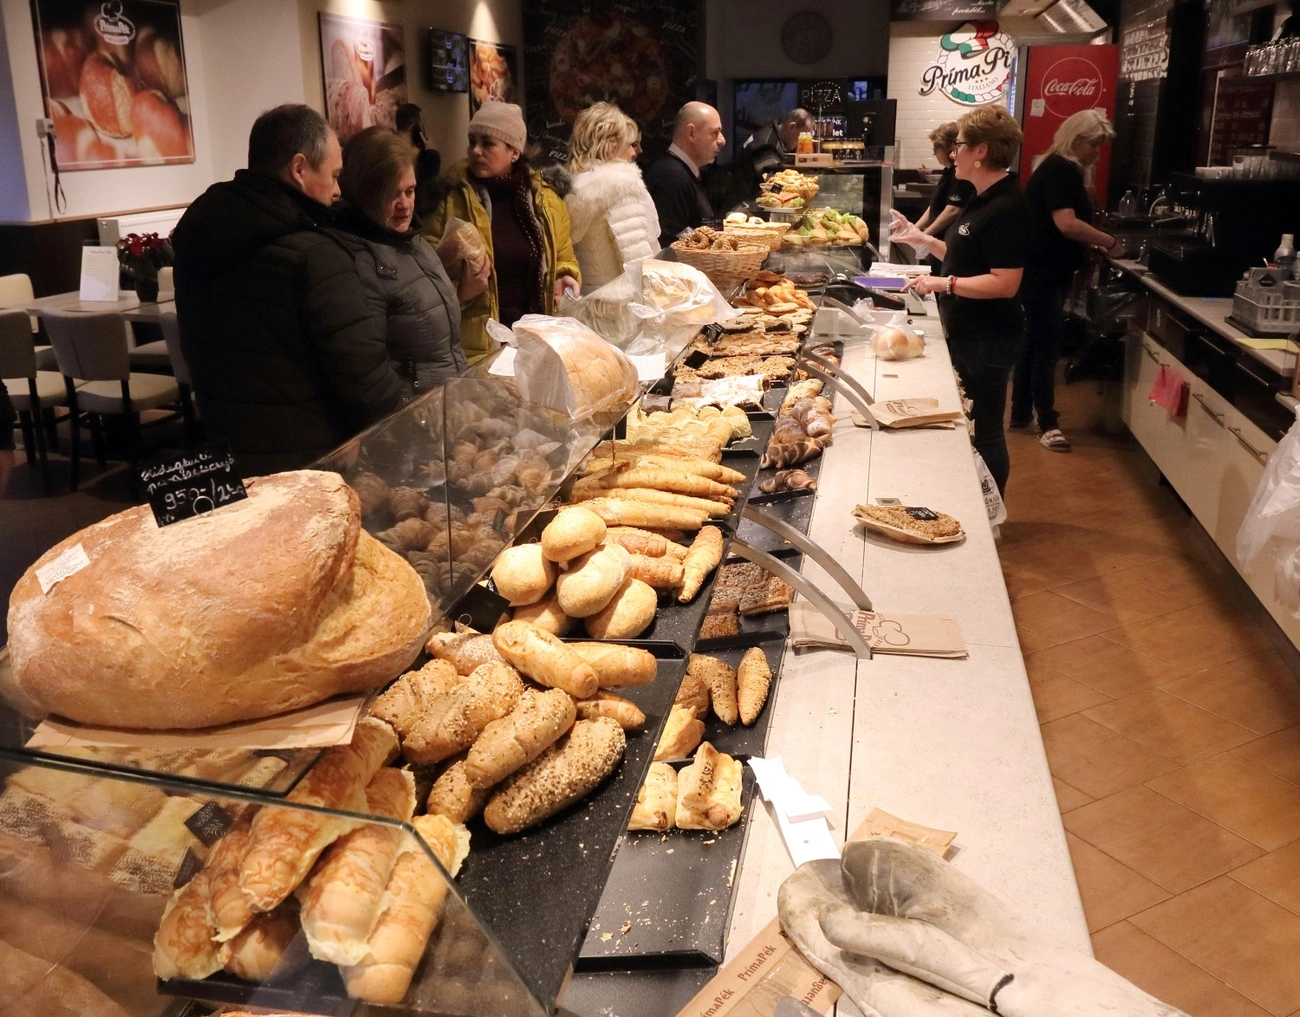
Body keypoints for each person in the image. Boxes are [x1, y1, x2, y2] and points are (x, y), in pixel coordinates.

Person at [173, 103, 404, 474]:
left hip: (230, 452)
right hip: (312, 459)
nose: (338, 191)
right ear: (299, 169)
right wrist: (404, 429)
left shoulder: (198, 236)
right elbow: (363, 379)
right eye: (334, 175)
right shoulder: (317, 254)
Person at [892, 105, 1030, 498]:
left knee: (985, 430)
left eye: (961, 145)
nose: (954, 154)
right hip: (969, 331)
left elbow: (1005, 283)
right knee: (972, 423)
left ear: (981, 151)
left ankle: (991, 515)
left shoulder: (1007, 206)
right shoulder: (981, 197)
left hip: (989, 337)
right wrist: (921, 239)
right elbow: (964, 257)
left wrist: (944, 283)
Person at [423, 102, 581, 364]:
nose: (476, 150)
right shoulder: (449, 199)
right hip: (478, 348)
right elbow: (427, 273)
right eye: (472, 141)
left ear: (514, 152)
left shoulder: (547, 200)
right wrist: (461, 291)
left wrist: (564, 275)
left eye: (487, 143)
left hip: (537, 342)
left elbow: (564, 254)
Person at [1012, 110, 1120, 452]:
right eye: (1093, 145)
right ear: (1074, 139)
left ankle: (1020, 413)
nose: (1096, 153)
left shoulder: (1051, 166)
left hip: (1036, 268)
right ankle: (1048, 422)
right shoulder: (1061, 170)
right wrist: (1109, 242)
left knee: (1033, 342)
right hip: (1044, 270)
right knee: (1047, 348)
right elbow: (1067, 224)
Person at [333, 126, 467, 399]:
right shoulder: (358, 263)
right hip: (414, 414)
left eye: (410, 190)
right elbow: (366, 375)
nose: (405, 205)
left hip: (448, 403)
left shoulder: (414, 241)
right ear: (363, 194)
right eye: (393, 195)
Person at [564, 102, 661, 290]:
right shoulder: (621, 188)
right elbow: (638, 264)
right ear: (610, 146)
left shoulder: (569, 188)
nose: (634, 152)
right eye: (629, 145)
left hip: (583, 298)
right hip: (619, 303)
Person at [645, 101, 726, 249]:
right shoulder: (671, 176)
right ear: (691, 133)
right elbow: (673, 236)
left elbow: (698, 222)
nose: (722, 140)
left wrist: (725, 225)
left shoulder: (682, 170)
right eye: (715, 132)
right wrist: (707, 239)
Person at [914, 122, 974, 269]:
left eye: (936, 148)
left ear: (948, 147)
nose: (934, 153)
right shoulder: (948, 172)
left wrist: (924, 235)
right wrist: (915, 229)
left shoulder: (960, 174)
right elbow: (935, 205)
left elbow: (953, 210)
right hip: (936, 239)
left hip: (947, 241)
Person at [734, 108, 813, 203]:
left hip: (752, 201)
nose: (801, 142)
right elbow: (772, 187)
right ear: (792, 127)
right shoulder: (767, 146)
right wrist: (800, 190)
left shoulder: (772, 134)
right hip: (745, 205)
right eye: (802, 136)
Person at [395, 102, 442, 214]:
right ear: (414, 126)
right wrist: (432, 154)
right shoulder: (422, 157)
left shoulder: (391, 147)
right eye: (422, 125)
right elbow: (428, 193)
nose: (424, 130)